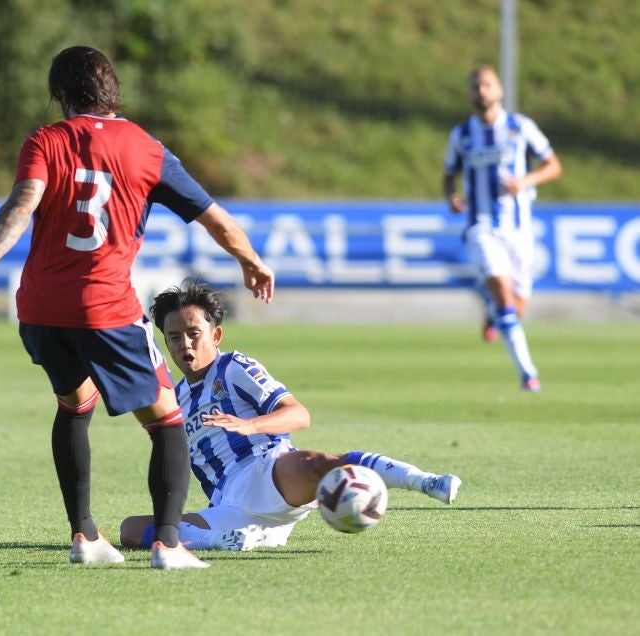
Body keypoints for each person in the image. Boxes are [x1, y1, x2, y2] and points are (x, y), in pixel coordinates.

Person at [0, 46, 275, 569]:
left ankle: (86, 537)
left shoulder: (44, 140)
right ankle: (167, 544)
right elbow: (214, 217)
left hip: (40, 307)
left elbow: (21, 205)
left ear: (60, 95)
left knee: (74, 404)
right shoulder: (145, 148)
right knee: (167, 421)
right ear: (112, 91)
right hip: (104, 307)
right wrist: (251, 260)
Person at [120, 280, 461, 552]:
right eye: (174, 338)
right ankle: (226, 541)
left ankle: (424, 481)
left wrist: (250, 425)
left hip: (266, 471)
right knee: (131, 529)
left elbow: (298, 414)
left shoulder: (233, 368)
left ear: (216, 335)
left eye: (193, 334)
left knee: (315, 462)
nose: (185, 345)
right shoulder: (175, 399)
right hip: (228, 504)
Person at [442, 64, 561, 392]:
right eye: (475, 86)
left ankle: (495, 315)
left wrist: (525, 180)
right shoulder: (461, 135)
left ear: (500, 90)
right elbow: (449, 175)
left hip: (519, 229)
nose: (481, 91)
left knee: (516, 305)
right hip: (481, 227)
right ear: (469, 93)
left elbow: (553, 165)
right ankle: (529, 373)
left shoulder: (520, 127)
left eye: (487, 85)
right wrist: (452, 196)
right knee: (504, 293)